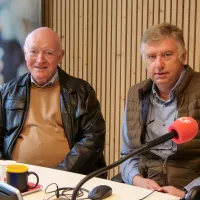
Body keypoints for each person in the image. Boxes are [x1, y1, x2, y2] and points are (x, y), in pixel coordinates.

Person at [0, 27, 106, 178]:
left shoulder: (81, 91)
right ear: (25, 54)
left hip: (67, 180)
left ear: (60, 56)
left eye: (48, 53)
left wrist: (58, 175)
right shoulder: (8, 91)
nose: (40, 59)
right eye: (33, 52)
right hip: (18, 179)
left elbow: (93, 139)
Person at [120, 22, 200, 198]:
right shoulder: (135, 94)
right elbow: (127, 154)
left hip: (190, 188)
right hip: (145, 187)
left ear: (183, 57)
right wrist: (137, 180)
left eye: (167, 55)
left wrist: (188, 192)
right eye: (151, 57)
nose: (159, 64)